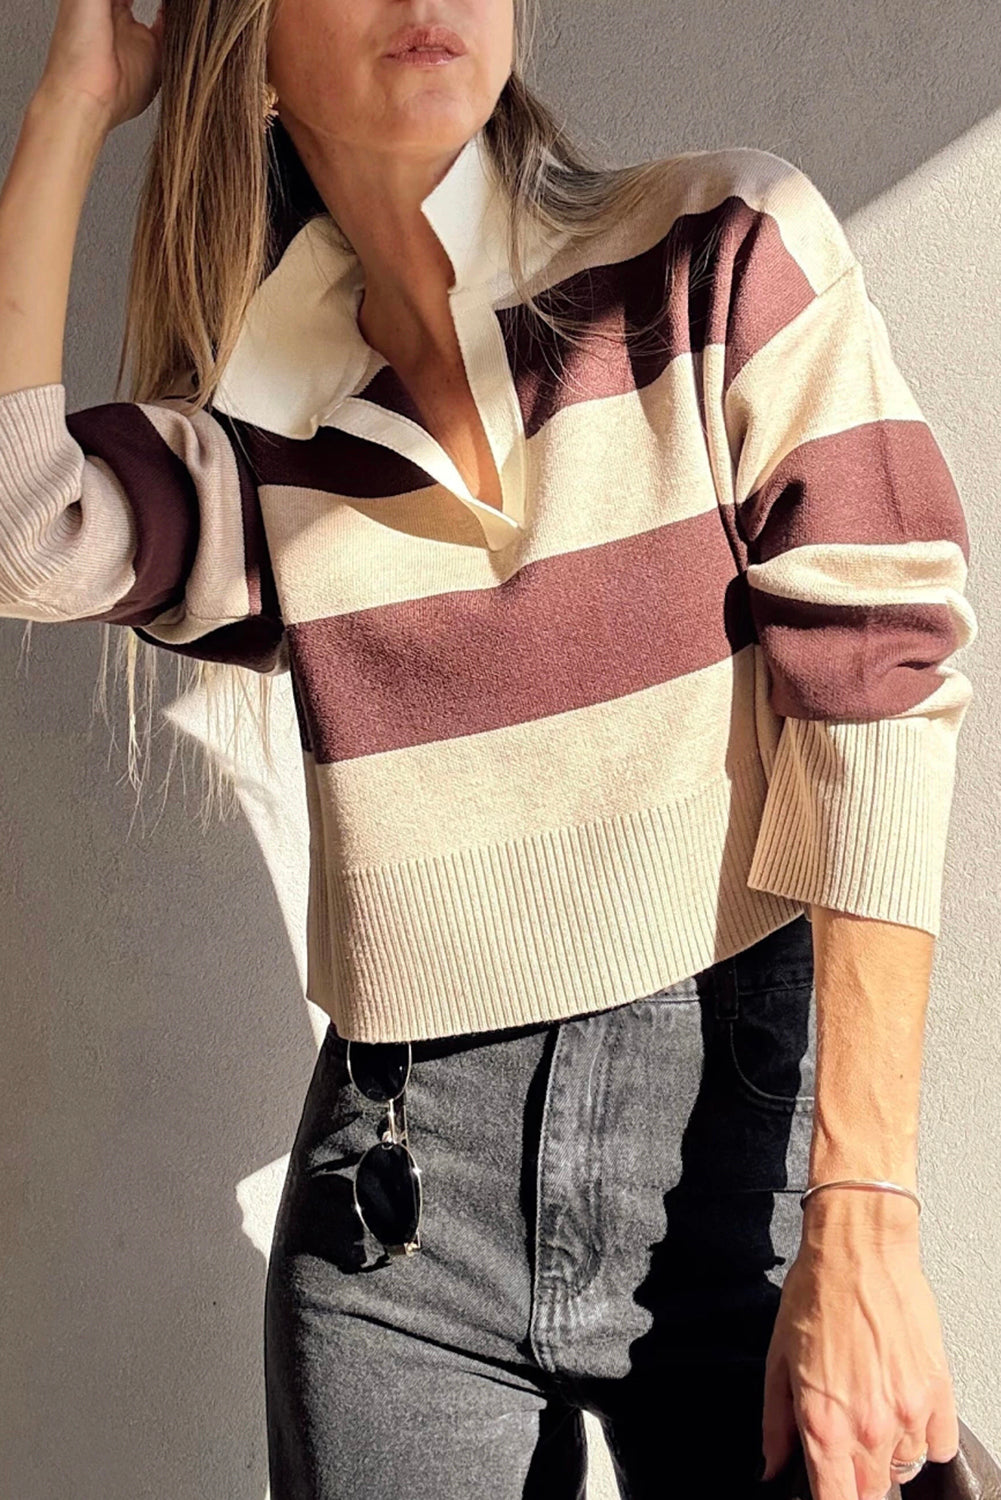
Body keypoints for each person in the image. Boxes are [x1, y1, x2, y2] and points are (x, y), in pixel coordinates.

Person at [0, 1, 975, 1497]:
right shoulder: (262, 435)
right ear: (248, 55)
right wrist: (71, 101)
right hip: (396, 1229)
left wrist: (867, 1216)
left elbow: (878, 691)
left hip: (741, 1172)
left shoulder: (719, 250)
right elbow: (28, 530)